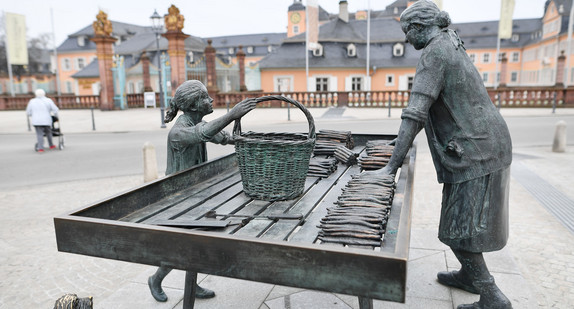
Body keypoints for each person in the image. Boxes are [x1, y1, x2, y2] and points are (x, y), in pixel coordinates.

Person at [372, 1, 513, 308]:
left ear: (419, 27)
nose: (406, 39)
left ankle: (492, 298)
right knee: (467, 223)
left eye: (407, 31)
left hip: (476, 150)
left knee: (457, 229)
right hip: (485, 143)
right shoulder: (450, 38)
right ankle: (467, 275)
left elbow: (416, 113)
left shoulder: (435, 52)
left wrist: (391, 166)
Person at [147, 80, 257, 302]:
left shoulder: (198, 122)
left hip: (197, 192)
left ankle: (191, 283)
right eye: (206, 97)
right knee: (183, 243)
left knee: (196, 240)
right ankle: (156, 279)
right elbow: (203, 133)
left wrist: (247, 140)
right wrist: (232, 114)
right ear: (194, 105)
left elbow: (222, 137)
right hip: (179, 197)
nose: (211, 100)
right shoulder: (178, 132)